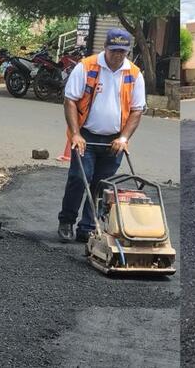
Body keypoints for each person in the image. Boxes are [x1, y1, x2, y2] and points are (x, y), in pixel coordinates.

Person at [57, 28, 146, 243]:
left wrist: (124, 138)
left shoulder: (134, 74)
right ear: (105, 48)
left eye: (122, 52)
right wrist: (76, 134)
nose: (117, 55)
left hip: (114, 140)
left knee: (102, 184)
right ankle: (67, 220)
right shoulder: (86, 66)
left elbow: (137, 110)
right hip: (86, 134)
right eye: (114, 50)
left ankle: (87, 227)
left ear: (127, 52)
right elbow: (70, 100)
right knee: (80, 178)